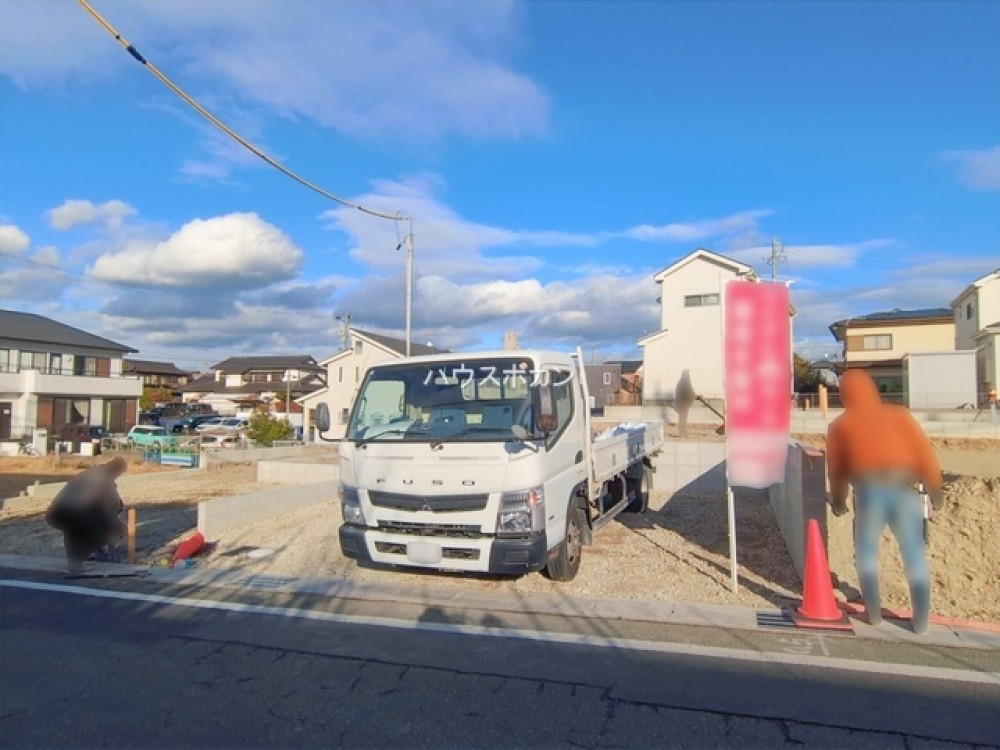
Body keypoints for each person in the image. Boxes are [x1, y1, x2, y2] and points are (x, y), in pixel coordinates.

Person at [826, 370, 944, 634]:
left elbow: (836, 470)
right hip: (904, 489)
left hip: (869, 492)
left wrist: (838, 501)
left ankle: (874, 614)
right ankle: (921, 622)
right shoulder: (899, 414)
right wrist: (936, 490)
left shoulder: (840, 426)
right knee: (914, 554)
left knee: (867, 553)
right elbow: (923, 452)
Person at [45, 457, 129, 573]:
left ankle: (77, 563)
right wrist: (119, 528)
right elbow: (110, 512)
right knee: (109, 529)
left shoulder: (90, 473)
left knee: (75, 531)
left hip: (54, 513)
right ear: (117, 472)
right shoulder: (105, 483)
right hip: (71, 513)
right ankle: (78, 562)